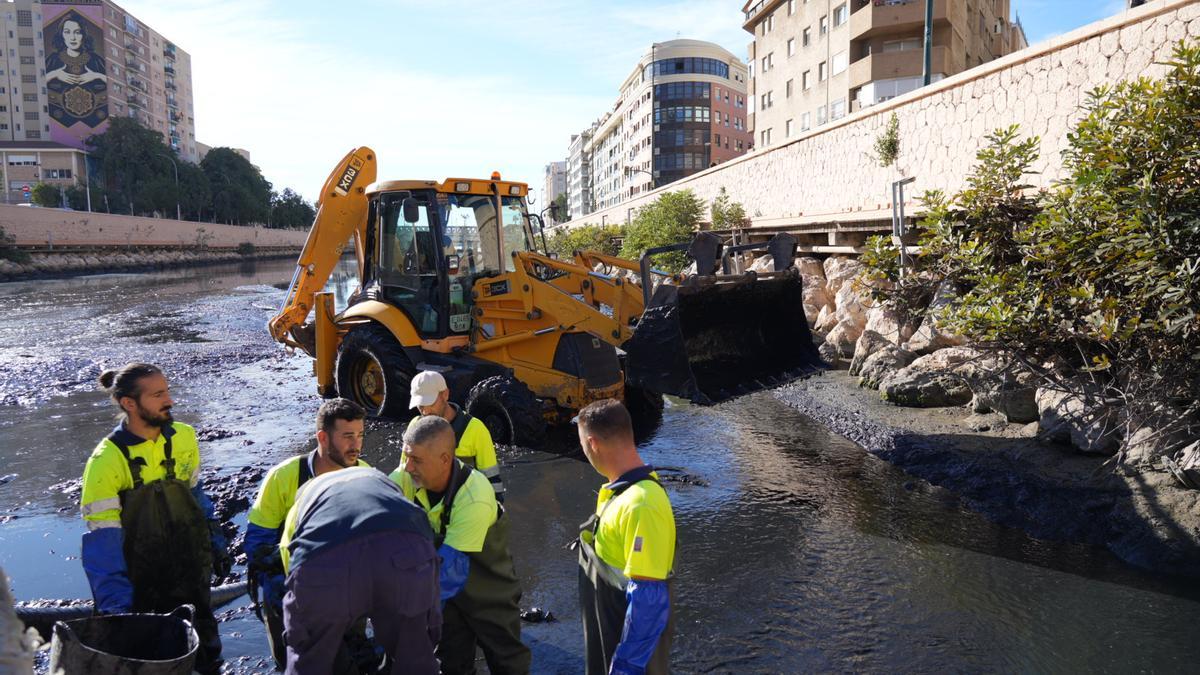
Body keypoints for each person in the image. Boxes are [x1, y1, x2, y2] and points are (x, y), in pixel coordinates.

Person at [79, 363, 230, 674]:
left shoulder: (185, 437)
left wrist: (216, 540)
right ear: (129, 404)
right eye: (158, 394)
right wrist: (118, 610)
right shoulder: (106, 461)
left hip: (190, 569)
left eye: (168, 391)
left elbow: (197, 495)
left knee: (206, 654)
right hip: (141, 585)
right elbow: (102, 543)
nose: (169, 400)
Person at [390, 416, 530, 675]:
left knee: (507, 660)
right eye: (406, 457)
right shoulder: (405, 477)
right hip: (444, 589)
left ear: (445, 459)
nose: (407, 467)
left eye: (417, 460)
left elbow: (449, 572)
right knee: (451, 661)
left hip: (488, 589)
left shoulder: (474, 495)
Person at [244, 398, 372, 670]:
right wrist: (283, 591)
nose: (356, 445)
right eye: (347, 436)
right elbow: (258, 540)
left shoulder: (366, 477)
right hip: (290, 594)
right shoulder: (284, 477)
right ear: (323, 438)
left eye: (360, 435)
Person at [279, 466, 440, 675]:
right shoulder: (384, 483)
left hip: (325, 563)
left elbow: (290, 562)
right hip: (405, 552)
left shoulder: (301, 505)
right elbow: (421, 533)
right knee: (414, 655)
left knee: (310, 660)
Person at [573, 399, 675, 675]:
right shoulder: (620, 490)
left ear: (593, 443)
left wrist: (625, 667)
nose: (584, 450)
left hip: (627, 654)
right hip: (608, 640)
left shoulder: (642, 505)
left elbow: (649, 601)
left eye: (583, 444)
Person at [409, 370, 506, 501]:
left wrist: (495, 511)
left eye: (430, 403)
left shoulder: (476, 429)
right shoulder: (415, 426)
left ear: (445, 394)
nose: (425, 411)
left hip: (464, 507)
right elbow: (406, 474)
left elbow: (491, 479)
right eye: (420, 406)